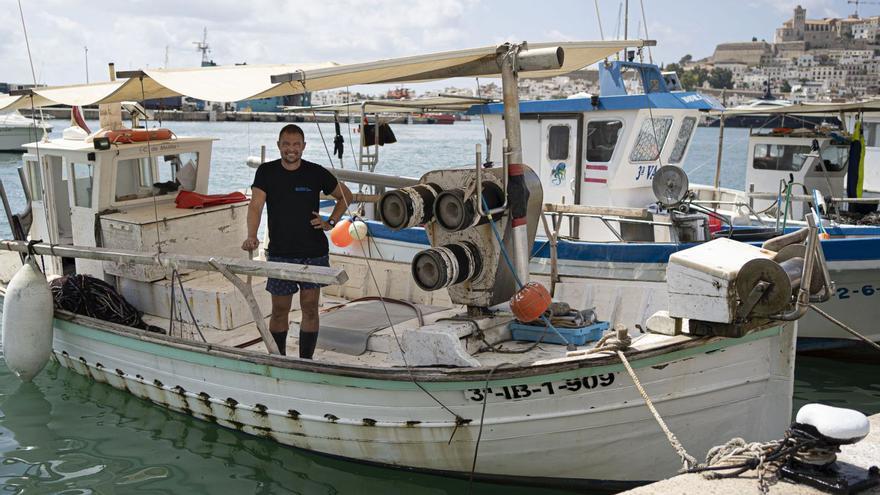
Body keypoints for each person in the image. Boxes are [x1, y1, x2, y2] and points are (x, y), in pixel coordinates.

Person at [242, 124, 353, 359]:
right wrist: (252, 235)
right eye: (286, 144)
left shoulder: (315, 172)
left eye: (296, 144)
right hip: (281, 253)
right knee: (280, 309)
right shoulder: (266, 172)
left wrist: (331, 222)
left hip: (313, 252)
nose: (291, 149)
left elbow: (345, 195)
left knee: (310, 308)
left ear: (303, 147)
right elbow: (255, 206)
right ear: (279, 146)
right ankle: (278, 357)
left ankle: (305, 360)